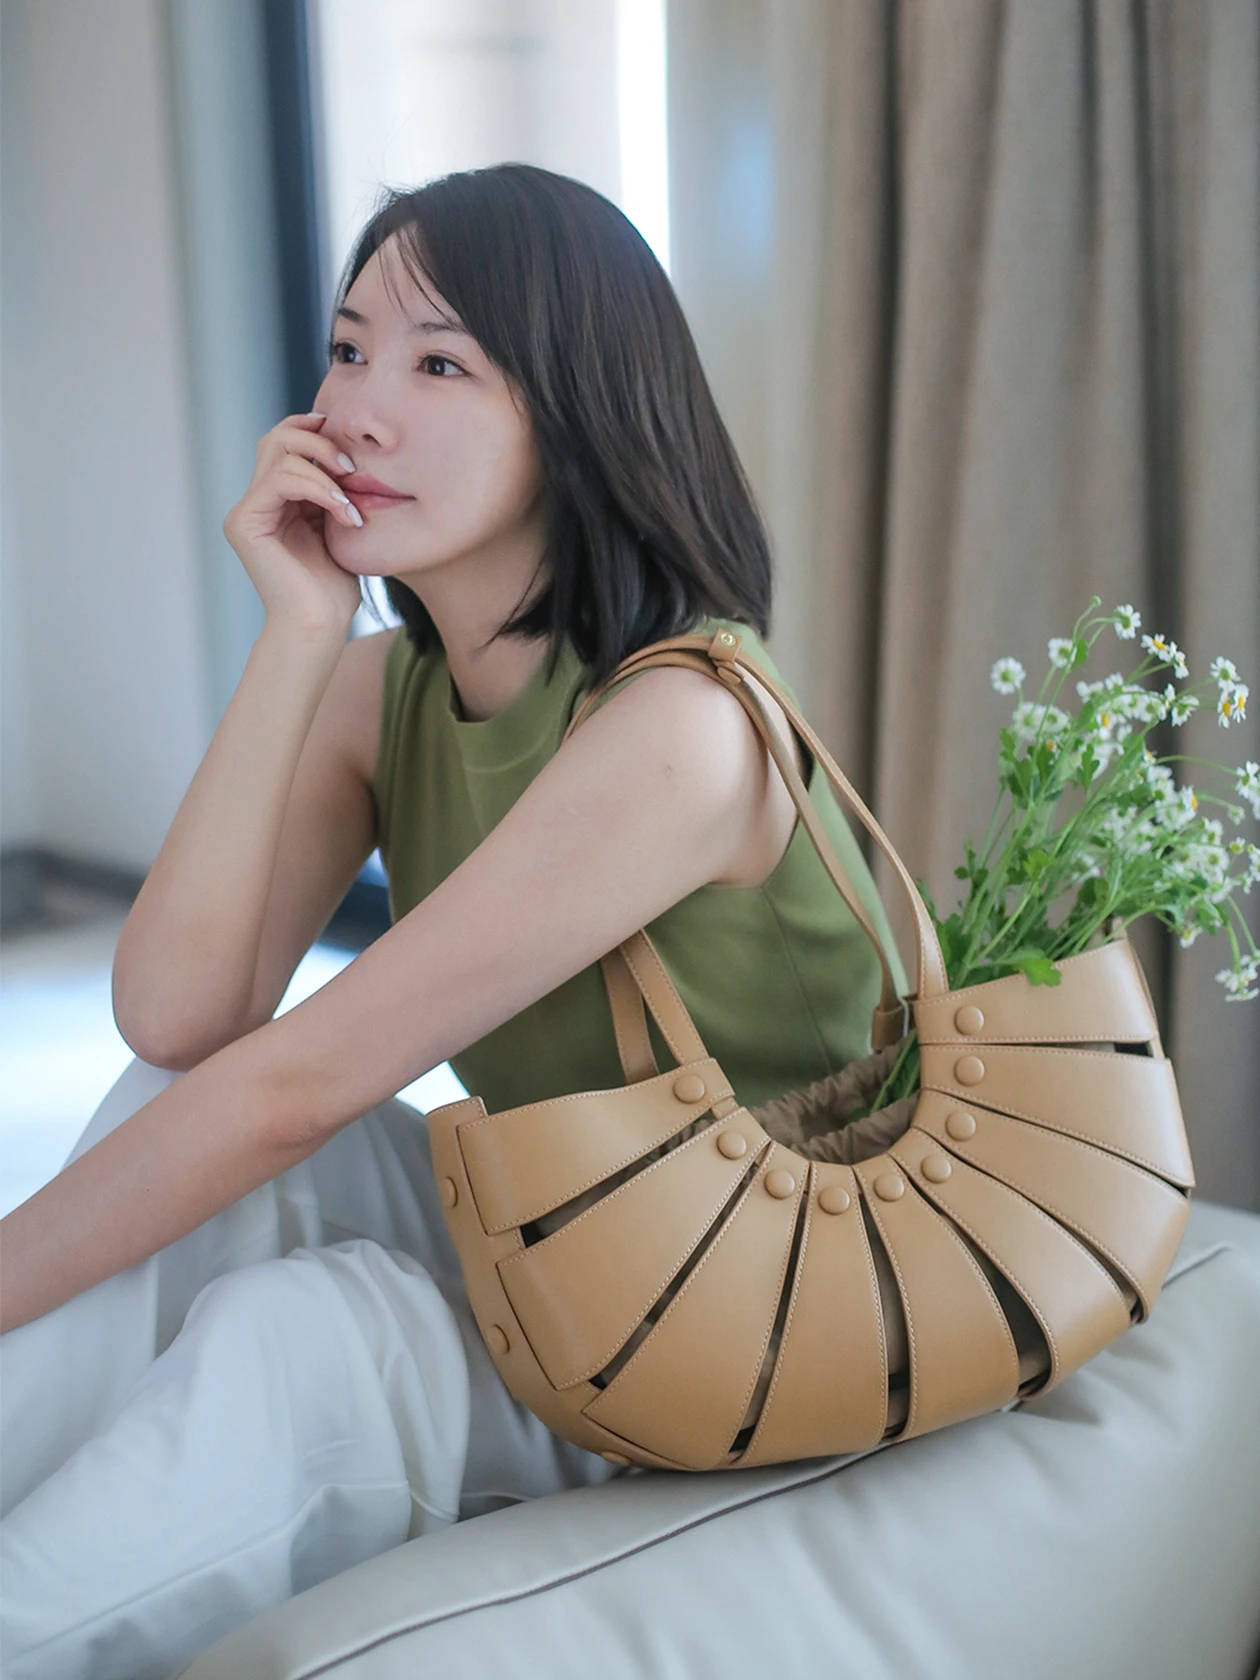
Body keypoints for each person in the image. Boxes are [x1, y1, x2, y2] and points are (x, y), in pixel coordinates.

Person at [0, 164, 896, 1679]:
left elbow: (292, 1090)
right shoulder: (390, 691)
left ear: (578, 415)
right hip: (566, 1228)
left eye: (439, 366)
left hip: (738, 1301)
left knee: (309, 1342)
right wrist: (298, 633)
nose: (356, 410)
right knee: (168, 1112)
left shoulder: (681, 724)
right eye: (349, 349)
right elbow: (178, 1020)